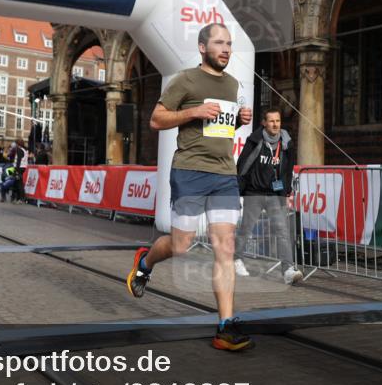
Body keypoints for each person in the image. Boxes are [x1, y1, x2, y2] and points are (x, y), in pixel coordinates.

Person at [126, 22, 253, 351]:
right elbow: (156, 119)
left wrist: (240, 119)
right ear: (202, 47)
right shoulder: (185, 79)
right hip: (190, 171)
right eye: (219, 43)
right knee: (181, 245)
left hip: (225, 173)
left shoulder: (234, 84)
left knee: (224, 248)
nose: (226, 49)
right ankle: (145, 262)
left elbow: (223, 125)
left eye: (229, 43)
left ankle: (225, 327)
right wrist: (193, 111)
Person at [233, 108, 303, 285]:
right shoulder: (255, 140)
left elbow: (288, 169)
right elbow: (243, 165)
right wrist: (238, 191)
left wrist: (286, 191)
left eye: (278, 121)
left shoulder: (286, 143)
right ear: (264, 123)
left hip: (275, 194)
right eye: (271, 121)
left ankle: (288, 270)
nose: (275, 124)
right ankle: (237, 259)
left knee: (282, 232)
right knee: (246, 228)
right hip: (254, 193)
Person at [8, 138, 27, 202]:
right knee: (15, 182)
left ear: (17, 144)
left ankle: (21, 198)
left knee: (18, 183)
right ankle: (14, 196)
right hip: (21, 167)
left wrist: (16, 171)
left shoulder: (19, 150)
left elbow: (18, 160)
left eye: (15, 143)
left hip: (18, 168)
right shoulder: (24, 149)